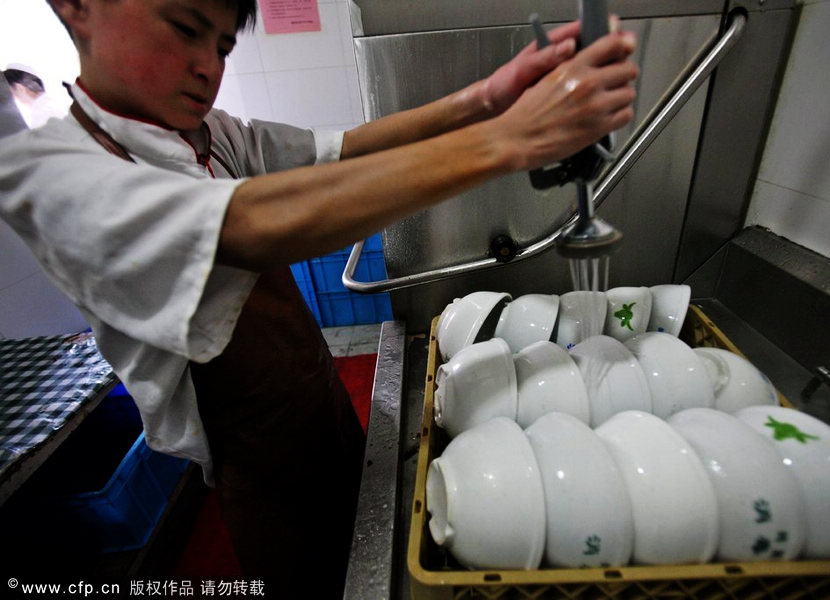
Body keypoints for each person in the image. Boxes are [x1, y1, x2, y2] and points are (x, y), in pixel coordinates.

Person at [0, 0, 638, 596]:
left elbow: (340, 152)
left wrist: (487, 100)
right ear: (77, 5)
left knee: (368, 551)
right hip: (255, 456)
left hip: (316, 393)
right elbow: (244, 226)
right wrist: (511, 140)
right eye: (185, 28)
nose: (209, 67)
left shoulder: (208, 134)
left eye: (222, 46)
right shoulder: (47, 172)